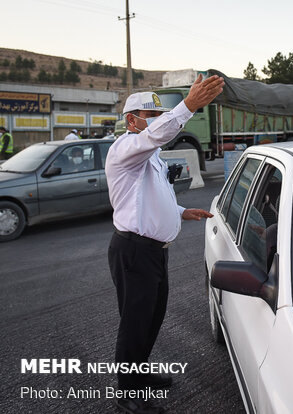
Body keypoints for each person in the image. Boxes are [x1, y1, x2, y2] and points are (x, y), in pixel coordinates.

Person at [105, 74, 224, 414]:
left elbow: (148, 197)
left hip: (153, 253)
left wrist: (182, 211)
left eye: (160, 114)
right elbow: (160, 133)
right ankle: (128, 393)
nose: (156, 120)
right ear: (132, 120)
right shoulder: (126, 148)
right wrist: (187, 106)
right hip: (134, 250)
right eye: (151, 114)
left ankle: (139, 374)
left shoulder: (151, 155)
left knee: (151, 318)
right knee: (135, 322)